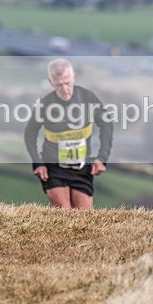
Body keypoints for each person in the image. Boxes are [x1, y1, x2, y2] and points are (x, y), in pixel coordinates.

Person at [23, 59, 113, 210]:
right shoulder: (45, 105)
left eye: (68, 83)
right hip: (54, 167)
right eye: (59, 85)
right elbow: (30, 133)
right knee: (64, 213)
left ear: (74, 78)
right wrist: (37, 163)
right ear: (51, 83)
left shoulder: (87, 98)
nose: (65, 89)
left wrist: (102, 157)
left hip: (82, 168)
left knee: (85, 218)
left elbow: (106, 124)